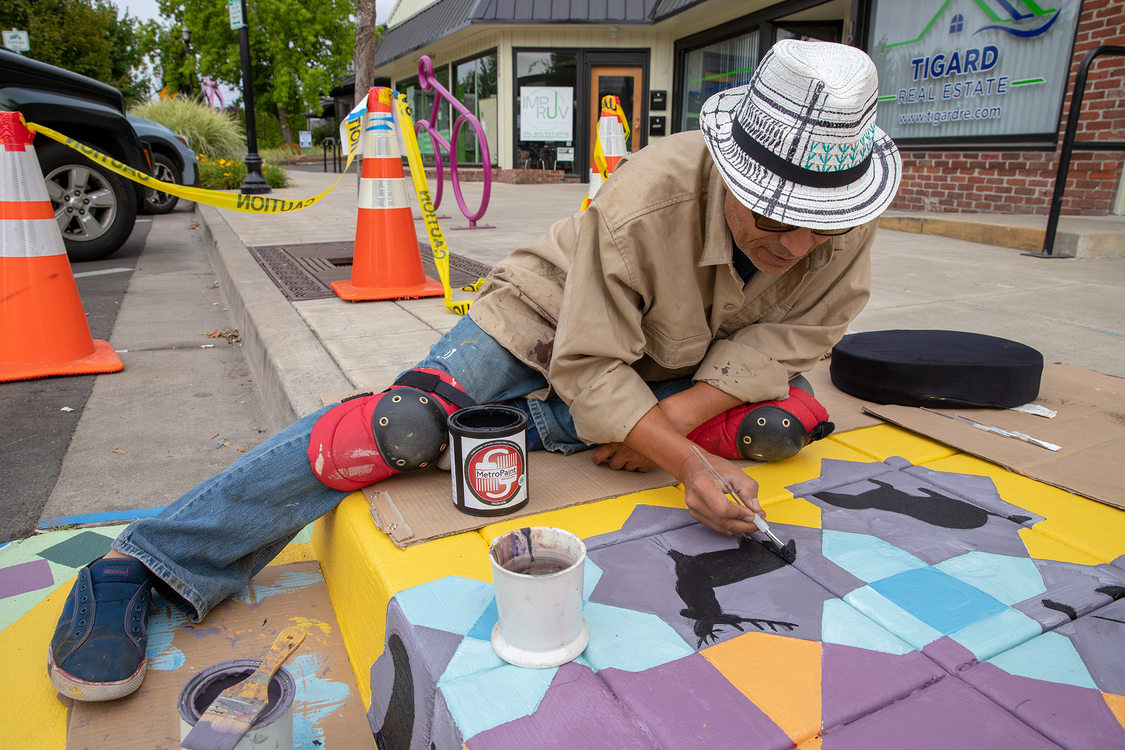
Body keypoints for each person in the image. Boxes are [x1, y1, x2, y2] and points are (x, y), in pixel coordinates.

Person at [48, 39, 901, 702]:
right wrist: (679, 456)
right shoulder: (648, 196)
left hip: (680, 364)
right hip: (541, 318)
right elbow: (590, 355)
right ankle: (146, 563)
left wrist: (671, 430)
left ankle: (540, 429)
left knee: (773, 425)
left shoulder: (845, 217)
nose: (797, 245)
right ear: (729, 169)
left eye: (818, 226)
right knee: (401, 429)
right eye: (773, 216)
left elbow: (787, 340)